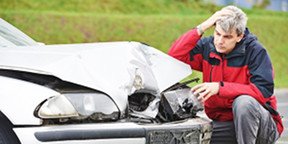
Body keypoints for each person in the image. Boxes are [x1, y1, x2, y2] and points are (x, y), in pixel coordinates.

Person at [168, 5, 283, 144]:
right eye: (217, 33)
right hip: (227, 125)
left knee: (244, 103)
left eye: (227, 37)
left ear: (240, 36)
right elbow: (174, 57)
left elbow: (262, 91)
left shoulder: (256, 52)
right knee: (186, 136)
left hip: (262, 128)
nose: (220, 41)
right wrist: (203, 27)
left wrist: (219, 88)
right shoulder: (209, 47)